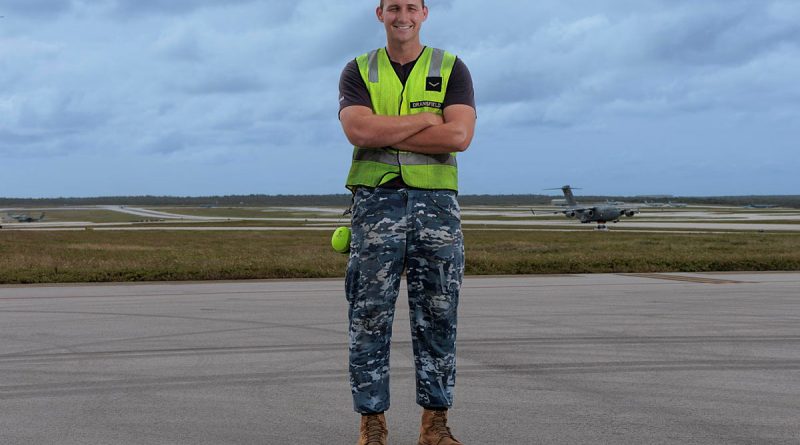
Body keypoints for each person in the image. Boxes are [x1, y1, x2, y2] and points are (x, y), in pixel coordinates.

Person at [338, 0, 476, 444]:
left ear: (424, 13)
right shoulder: (359, 70)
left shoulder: (451, 68)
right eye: (393, 6)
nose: (403, 15)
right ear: (379, 13)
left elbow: (458, 136)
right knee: (369, 317)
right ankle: (372, 426)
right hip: (376, 203)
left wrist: (387, 126)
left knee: (438, 316)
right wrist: (423, 118)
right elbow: (360, 132)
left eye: (411, 7)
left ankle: (434, 427)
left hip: (435, 208)